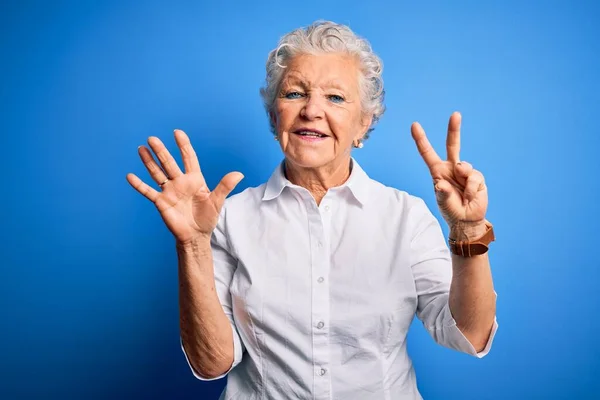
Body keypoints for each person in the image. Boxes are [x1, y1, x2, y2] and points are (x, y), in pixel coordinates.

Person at [126, 20, 498, 400]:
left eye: (335, 97)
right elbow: (212, 363)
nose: (311, 110)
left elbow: (468, 334)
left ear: (364, 122)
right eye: (294, 94)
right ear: (275, 117)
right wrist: (192, 244)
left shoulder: (406, 217)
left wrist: (468, 232)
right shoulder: (228, 219)